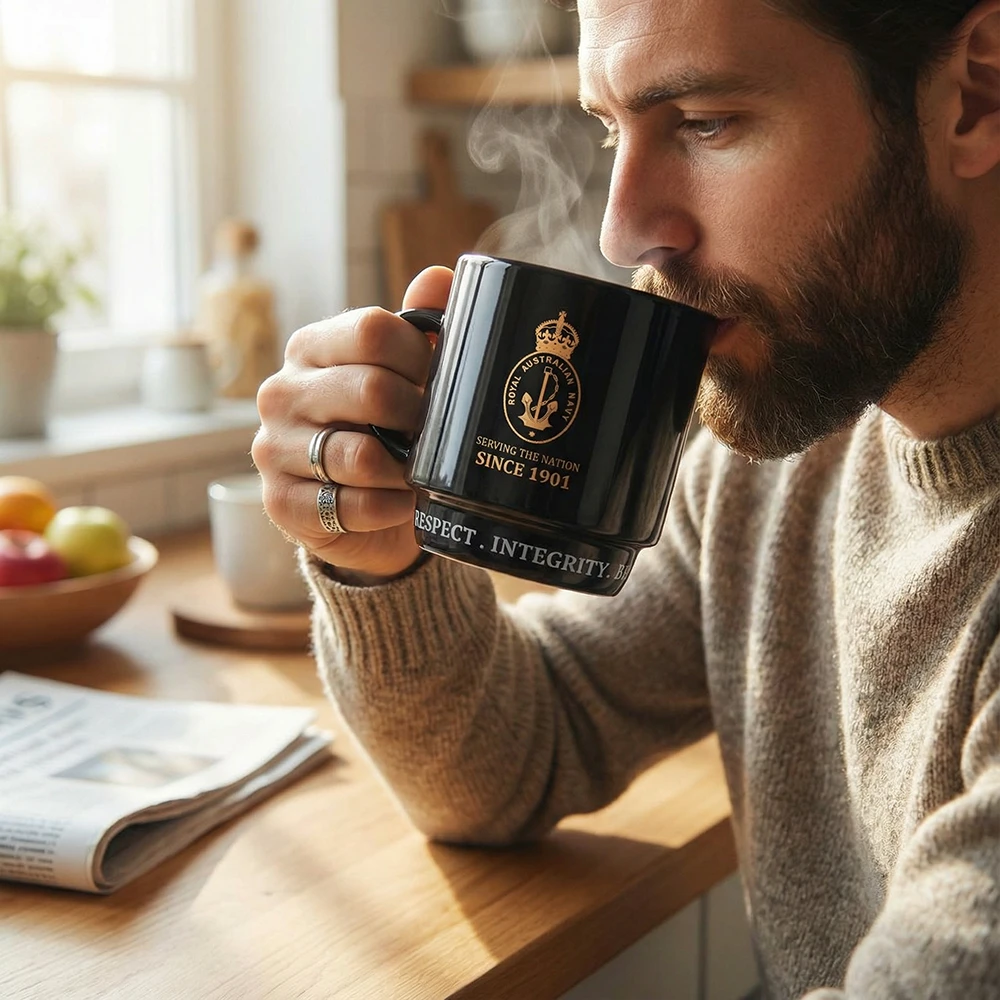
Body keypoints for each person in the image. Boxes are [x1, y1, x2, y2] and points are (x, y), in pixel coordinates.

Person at [251, 0, 1000, 996]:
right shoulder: (773, 456)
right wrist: (376, 550)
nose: (622, 230)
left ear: (975, 92)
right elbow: (511, 756)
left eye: (703, 121)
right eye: (611, 129)